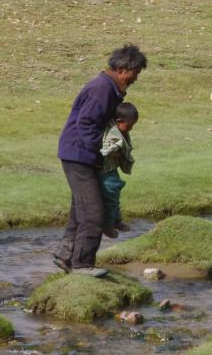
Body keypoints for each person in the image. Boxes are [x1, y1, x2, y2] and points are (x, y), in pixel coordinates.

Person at [52, 44, 146, 277]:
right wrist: (104, 151)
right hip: (79, 155)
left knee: (80, 209)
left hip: (80, 154)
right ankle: (83, 265)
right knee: (94, 212)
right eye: (136, 73)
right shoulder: (102, 89)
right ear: (124, 69)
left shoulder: (108, 87)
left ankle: (65, 256)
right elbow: (86, 124)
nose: (136, 78)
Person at [99, 102, 138, 239]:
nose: (131, 129)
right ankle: (108, 226)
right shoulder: (113, 134)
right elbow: (106, 151)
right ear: (119, 121)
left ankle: (117, 220)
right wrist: (118, 153)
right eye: (129, 126)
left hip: (111, 169)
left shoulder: (118, 129)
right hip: (104, 171)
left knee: (116, 195)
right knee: (111, 195)